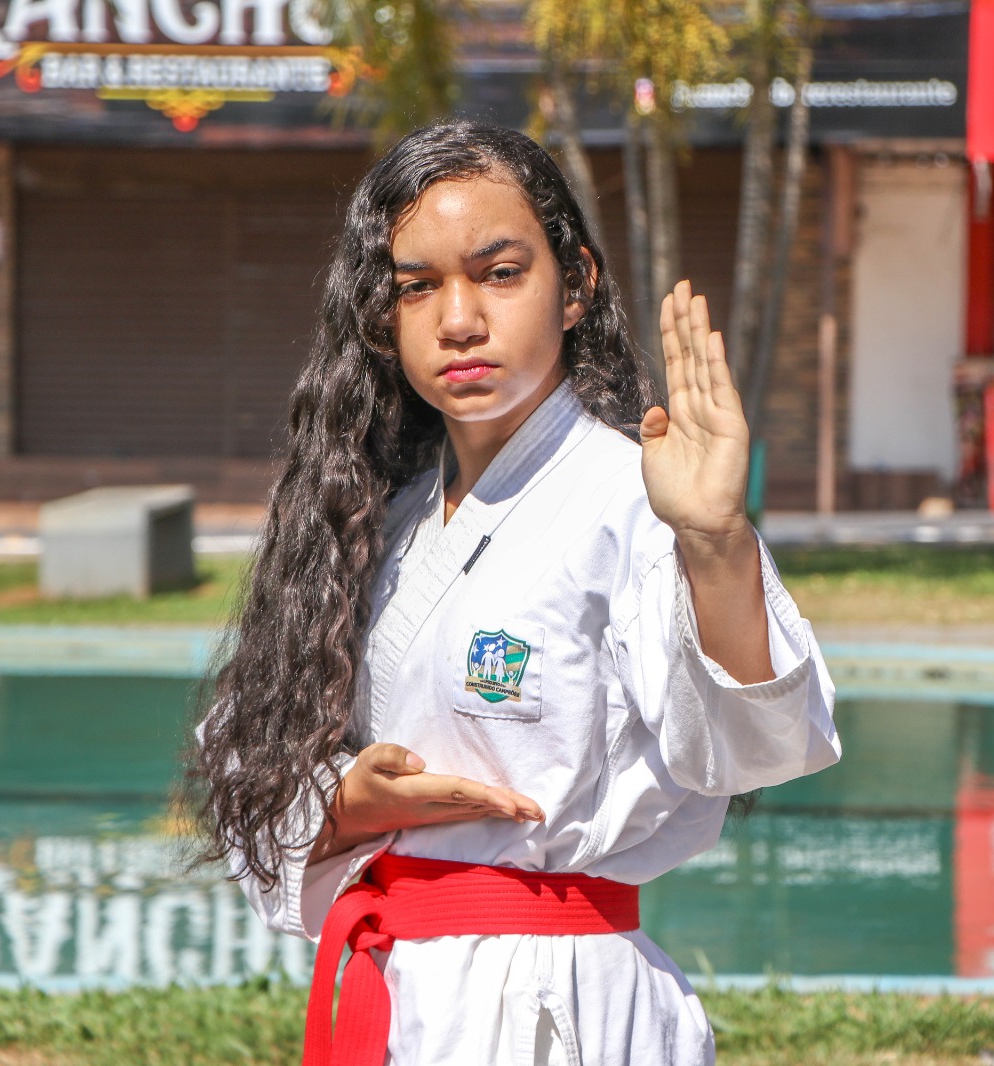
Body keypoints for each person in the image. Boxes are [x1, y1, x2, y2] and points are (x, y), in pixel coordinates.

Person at [194, 120, 840, 1066]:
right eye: (418, 286)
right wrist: (346, 805)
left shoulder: (634, 497)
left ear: (574, 286)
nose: (458, 319)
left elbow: (758, 747)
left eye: (499, 274)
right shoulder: (373, 516)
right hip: (402, 991)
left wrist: (713, 542)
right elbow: (247, 758)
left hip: (561, 1002)